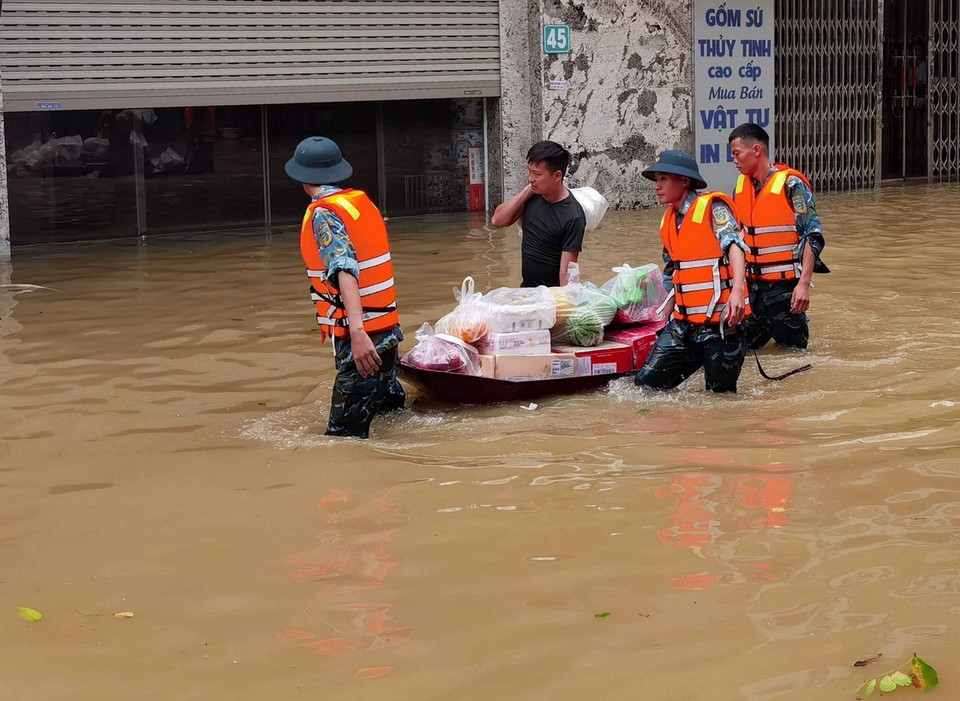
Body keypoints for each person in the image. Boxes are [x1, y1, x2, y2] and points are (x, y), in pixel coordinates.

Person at [286, 136, 404, 438]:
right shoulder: (357, 204)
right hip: (387, 332)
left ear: (302, 178)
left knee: (344, 440)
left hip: (363, 340)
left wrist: (357, 333)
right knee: (390, 419)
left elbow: (345, 271)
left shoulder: (324, 213)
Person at [634, 151, 751, 393]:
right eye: (656, 179)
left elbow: (735, 247)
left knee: (720, 399)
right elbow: (674, 271)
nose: (657, 186)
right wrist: (663, 308)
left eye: (663, 179)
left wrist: (738, 291)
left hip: (721, 326)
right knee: (645, 385)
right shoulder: (669, 222)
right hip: (683, 324)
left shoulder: (713, 208)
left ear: (684, 181)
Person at [727, 123, 828, 350]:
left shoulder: (792, 185)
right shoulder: (740, 187)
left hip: (784, 292)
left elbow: (812, 236)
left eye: (736, 154)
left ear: (756, 150)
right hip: (752, 291)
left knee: (793, 354)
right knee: (741, 352)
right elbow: (736, 241)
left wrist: (803, 285)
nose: (734, 160)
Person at [490, 140, 585, 287]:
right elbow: (497, 221)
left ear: (557, 176)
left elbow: (567, 273)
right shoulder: (533, 195)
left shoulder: (573, 216)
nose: (531, 179)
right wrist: (526, 192)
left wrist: (565, 305)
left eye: (537, 174)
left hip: (550, 296)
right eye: (529, 172)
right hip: (526, 291)